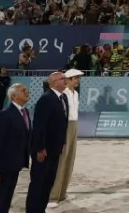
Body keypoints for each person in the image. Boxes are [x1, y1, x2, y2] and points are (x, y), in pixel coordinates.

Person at [0, 83, 30, 213]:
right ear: (14, 96)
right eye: (23, 90)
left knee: (6, 201)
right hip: (2, 167)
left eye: (27, 89)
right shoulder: (4, 115)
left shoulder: (24, 112)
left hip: (15, 165)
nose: (27, 91)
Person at [27, 71, 69, 213]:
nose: (65, 80)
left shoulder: (63, 98)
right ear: (53, 82)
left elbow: (63, 124)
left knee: (48, 183)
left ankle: (41, 209)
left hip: (55, 149)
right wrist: (40, 148)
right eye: (62, 78)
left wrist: (62, 142)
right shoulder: (46, 99)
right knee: (38, 183)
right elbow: (39, 126)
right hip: (43, 151)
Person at [48, 69, 83, 208]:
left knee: (70, 159)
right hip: (65, 125)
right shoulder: (63, 94)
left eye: (78, 78)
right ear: (67, 80)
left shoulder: (76, 94)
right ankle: (52, 195)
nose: (78, 81)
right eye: (75, 78)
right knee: (61, 159)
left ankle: (62, 193)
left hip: (74, 125)